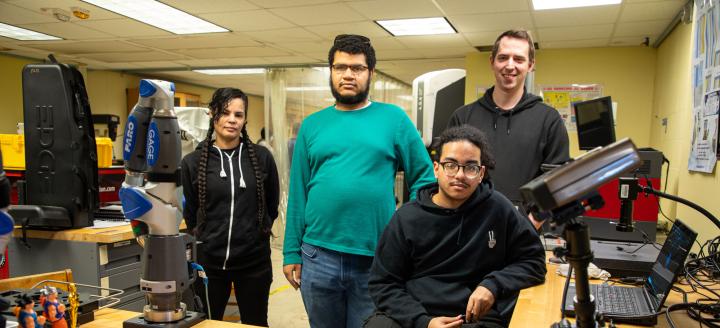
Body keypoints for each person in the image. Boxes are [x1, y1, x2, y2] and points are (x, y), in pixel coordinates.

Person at [283, 34, 436, 328]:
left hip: (375, 258)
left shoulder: (393, 119)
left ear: (371, 73)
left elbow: (424, 179)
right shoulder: (312, 125)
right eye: (340, 67)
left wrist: (409, 231)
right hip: (317, 255)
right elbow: (299, 191)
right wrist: (291, 251)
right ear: (331, 71)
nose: (348, 75)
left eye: (357, 68)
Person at [366, 126, 546, 328]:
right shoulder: (406, 218)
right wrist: (424, 322)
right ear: (436, 169)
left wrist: (493, 285)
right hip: (417, 315)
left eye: (470, 167)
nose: (460, 175)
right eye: (451, 165)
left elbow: (534, 261)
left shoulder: (499, 209)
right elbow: (383, 283)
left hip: (475, 319)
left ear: (481, 173)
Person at [446, 29, 569, 229]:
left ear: (530, 65)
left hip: (523, 232)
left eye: (519, 59)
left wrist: (530, 225)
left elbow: (557, 182)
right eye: (503, 57)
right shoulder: (463, 117)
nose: (510, 65)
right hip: (466, 230)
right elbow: (448, 174)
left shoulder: (549, 119)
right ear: (492, 61)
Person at [181, 87, 280, 326]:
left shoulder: (261, 157)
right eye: (225, 113)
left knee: (255, 323)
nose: (232, 120)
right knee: (206, 323)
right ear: (212, 114)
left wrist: (255, 234)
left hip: (254, 264)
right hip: (209, 265)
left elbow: (272, 205)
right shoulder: (192, 163)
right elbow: (191, 212)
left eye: (239, 114)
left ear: (245, 119)